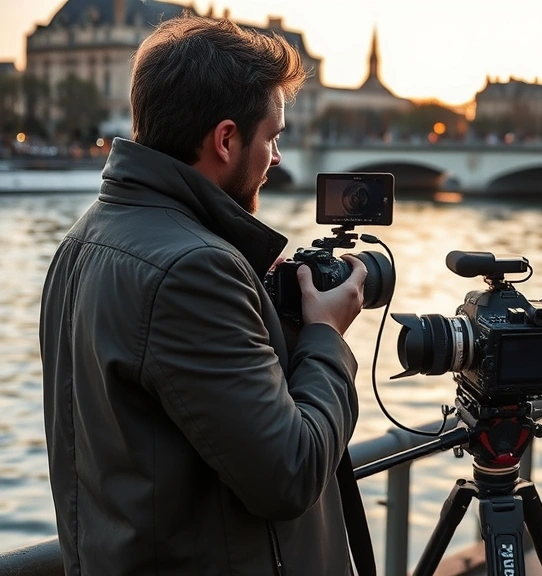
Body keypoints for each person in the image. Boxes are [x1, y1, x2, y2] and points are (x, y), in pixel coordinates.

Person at [39, 16, 368, 575]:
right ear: (225, 139)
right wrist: (325, 337)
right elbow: (290, 473)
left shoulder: (82, 240)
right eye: (273, 136)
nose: (278, 158)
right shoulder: (195, 270)